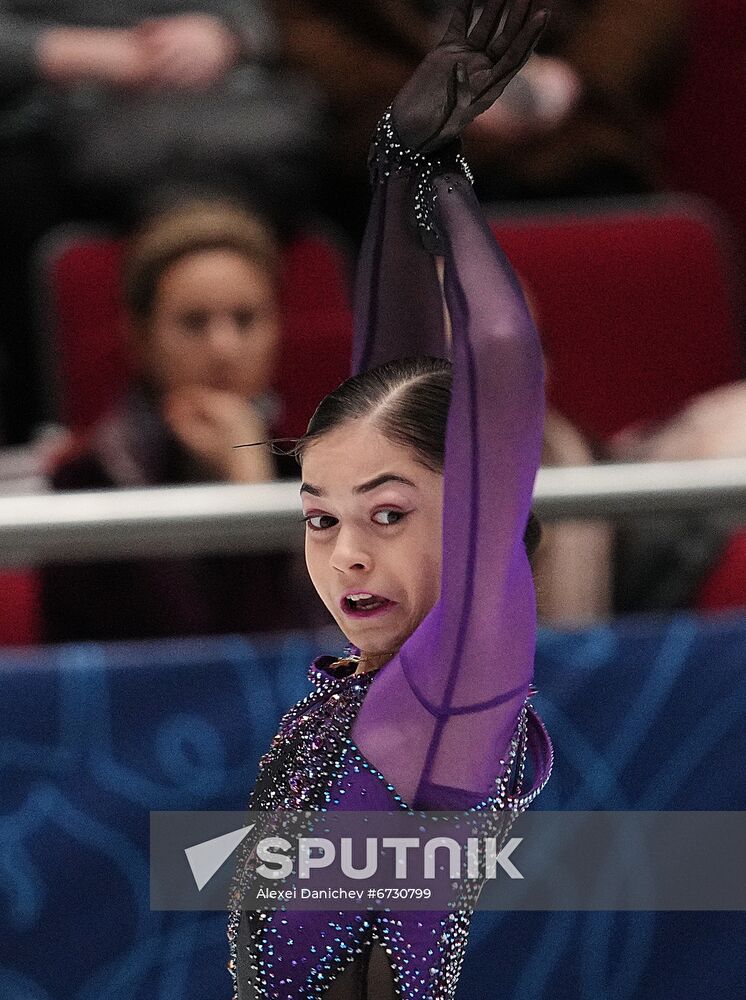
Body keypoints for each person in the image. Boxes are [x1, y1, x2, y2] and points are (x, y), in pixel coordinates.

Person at [227, 2, 554, 995]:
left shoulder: (454, 688)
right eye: (319, 516)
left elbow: (496, 356)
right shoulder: (380, 690)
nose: (345, 556)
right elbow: (397, 376)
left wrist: (441, 176)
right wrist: (395, 160)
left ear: (474, 518)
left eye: (386, 515)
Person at [40, 198, 322, 641]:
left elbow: (312, 658)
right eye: (194, 323)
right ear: (141, 337)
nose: (224, 347)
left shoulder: (321, 474)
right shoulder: (82, 484)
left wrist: (252, 478)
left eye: (246, 320)